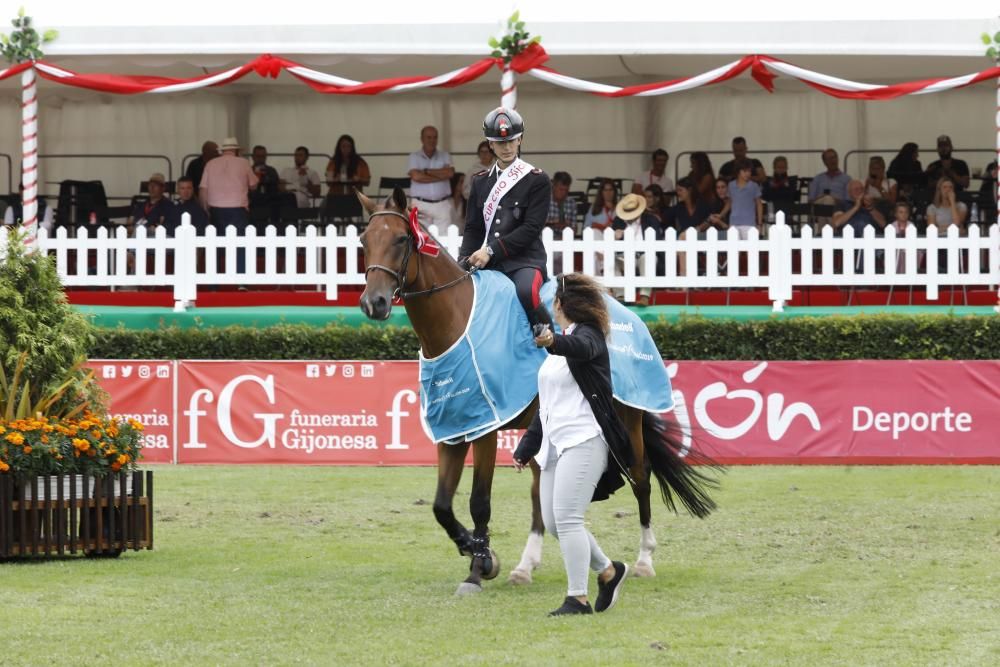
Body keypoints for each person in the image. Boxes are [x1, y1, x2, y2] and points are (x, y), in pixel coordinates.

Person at [512, 272, 632, 617]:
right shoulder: (561, 343)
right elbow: (546, 404)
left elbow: (580, 349)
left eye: (553, 303)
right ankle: (609, 571)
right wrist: (527, 446)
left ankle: (577, 598)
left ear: (561, 305)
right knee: (553, 523)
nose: (551, 307)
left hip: (585, 439)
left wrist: (552, 342)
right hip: (554, 444)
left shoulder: (589, 337)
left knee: (568, 519)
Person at [459, 107, 552, 331]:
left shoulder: (536, 180)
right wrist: (462, 260)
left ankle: (548, 337)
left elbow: (531, 229)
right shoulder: (480, 182)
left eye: (512, 140)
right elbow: (473, 228)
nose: (507, 147)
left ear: (520, 140)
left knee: (525, 292)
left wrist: (490, 250)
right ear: (490, 144)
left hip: (525, 261)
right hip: (490, 262)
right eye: (500, 143)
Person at [199, 136, 259, 273]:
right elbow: (254, 185)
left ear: (222, 151)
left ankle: (213, 283)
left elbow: (203, 189)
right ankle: (241, 281)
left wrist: (205, 209)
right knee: (240, 245)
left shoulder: (210, 164)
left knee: (215, 245)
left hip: (216, 209)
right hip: (238, 209)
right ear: (236, 150)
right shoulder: (243, 163)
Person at [611, 193, 662, 305]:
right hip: (623, 257)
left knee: (649, 257)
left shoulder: (651, 220)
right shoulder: (618, 221)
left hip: (643, 255)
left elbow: (657, 242)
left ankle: (644, 296)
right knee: (611, 261)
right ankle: (621, 296)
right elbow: (610, 247)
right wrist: (614, 237)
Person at [407, 125, 456, 228]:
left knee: (444, 240)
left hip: (442, 204)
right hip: (420, 205)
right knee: (421, 239)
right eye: (428, 137)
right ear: (422, 139)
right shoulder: (414, 156)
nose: (432, 140)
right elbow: (416, 177)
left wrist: (426, 171)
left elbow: (450, 173)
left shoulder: (445, 155)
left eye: (435, 137)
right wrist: (441, 176)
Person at [718, 159, 762, 240]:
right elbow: (729, 203)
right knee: (734, 251)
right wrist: (721, 215)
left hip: (749, 223)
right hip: (734, 223)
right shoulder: (731, 185)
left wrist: (759, 224)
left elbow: (759, 205)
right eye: (745, 171)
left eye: (749, 171)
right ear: (738, 171)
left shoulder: (754, 186)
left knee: (751, 251)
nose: (748, 174)